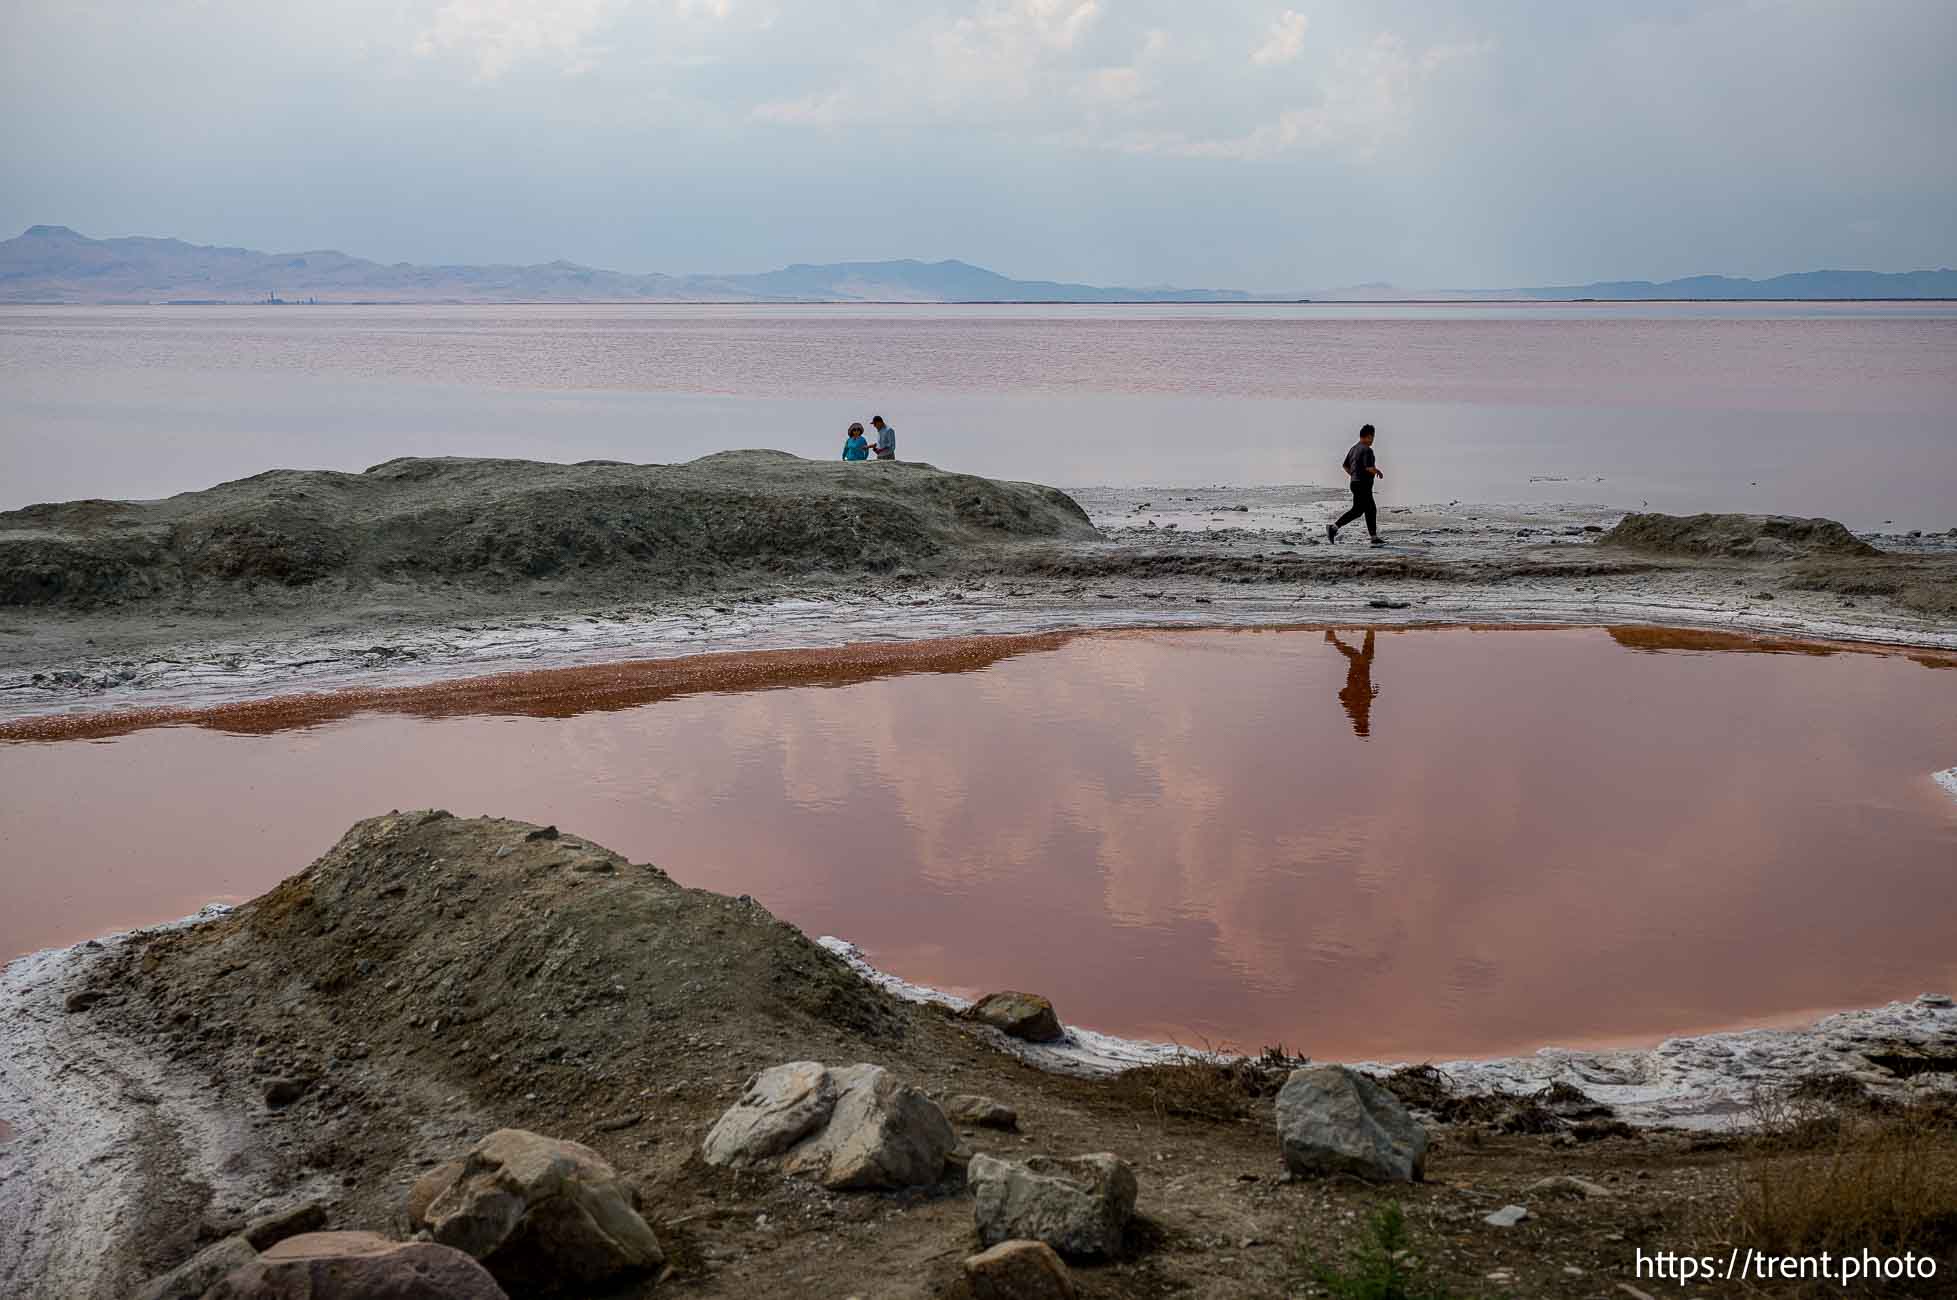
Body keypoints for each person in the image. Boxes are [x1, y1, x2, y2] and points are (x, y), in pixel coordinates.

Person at [1327, 423, 1384, 545]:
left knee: (1366, 509)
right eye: (1372, 437)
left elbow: (1345, 466)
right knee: (1363, 509)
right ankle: (1333, 528)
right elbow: (1369, 467)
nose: (1373, 440)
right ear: (1369, 436)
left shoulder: (1354, 448)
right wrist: (1377, 471)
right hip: (1363, 484)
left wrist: (1354, 475)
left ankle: (1373, 537)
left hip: (1355, 483)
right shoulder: (1367, 450)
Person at [1326, 629, 1378, 738]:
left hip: (1357, 679)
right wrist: (1372, 694)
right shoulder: (1360, 713)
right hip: (1362, 678)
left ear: (1361, 724)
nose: (1367, 721)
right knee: (1365, 656)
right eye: (1367, 724)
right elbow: (1344, 697)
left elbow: (1344, 696)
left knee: (1356, 656)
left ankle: (1333, 640)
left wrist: (1353, 689)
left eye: (1365, 724)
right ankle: (1370, 630)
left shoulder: (1356, 712)